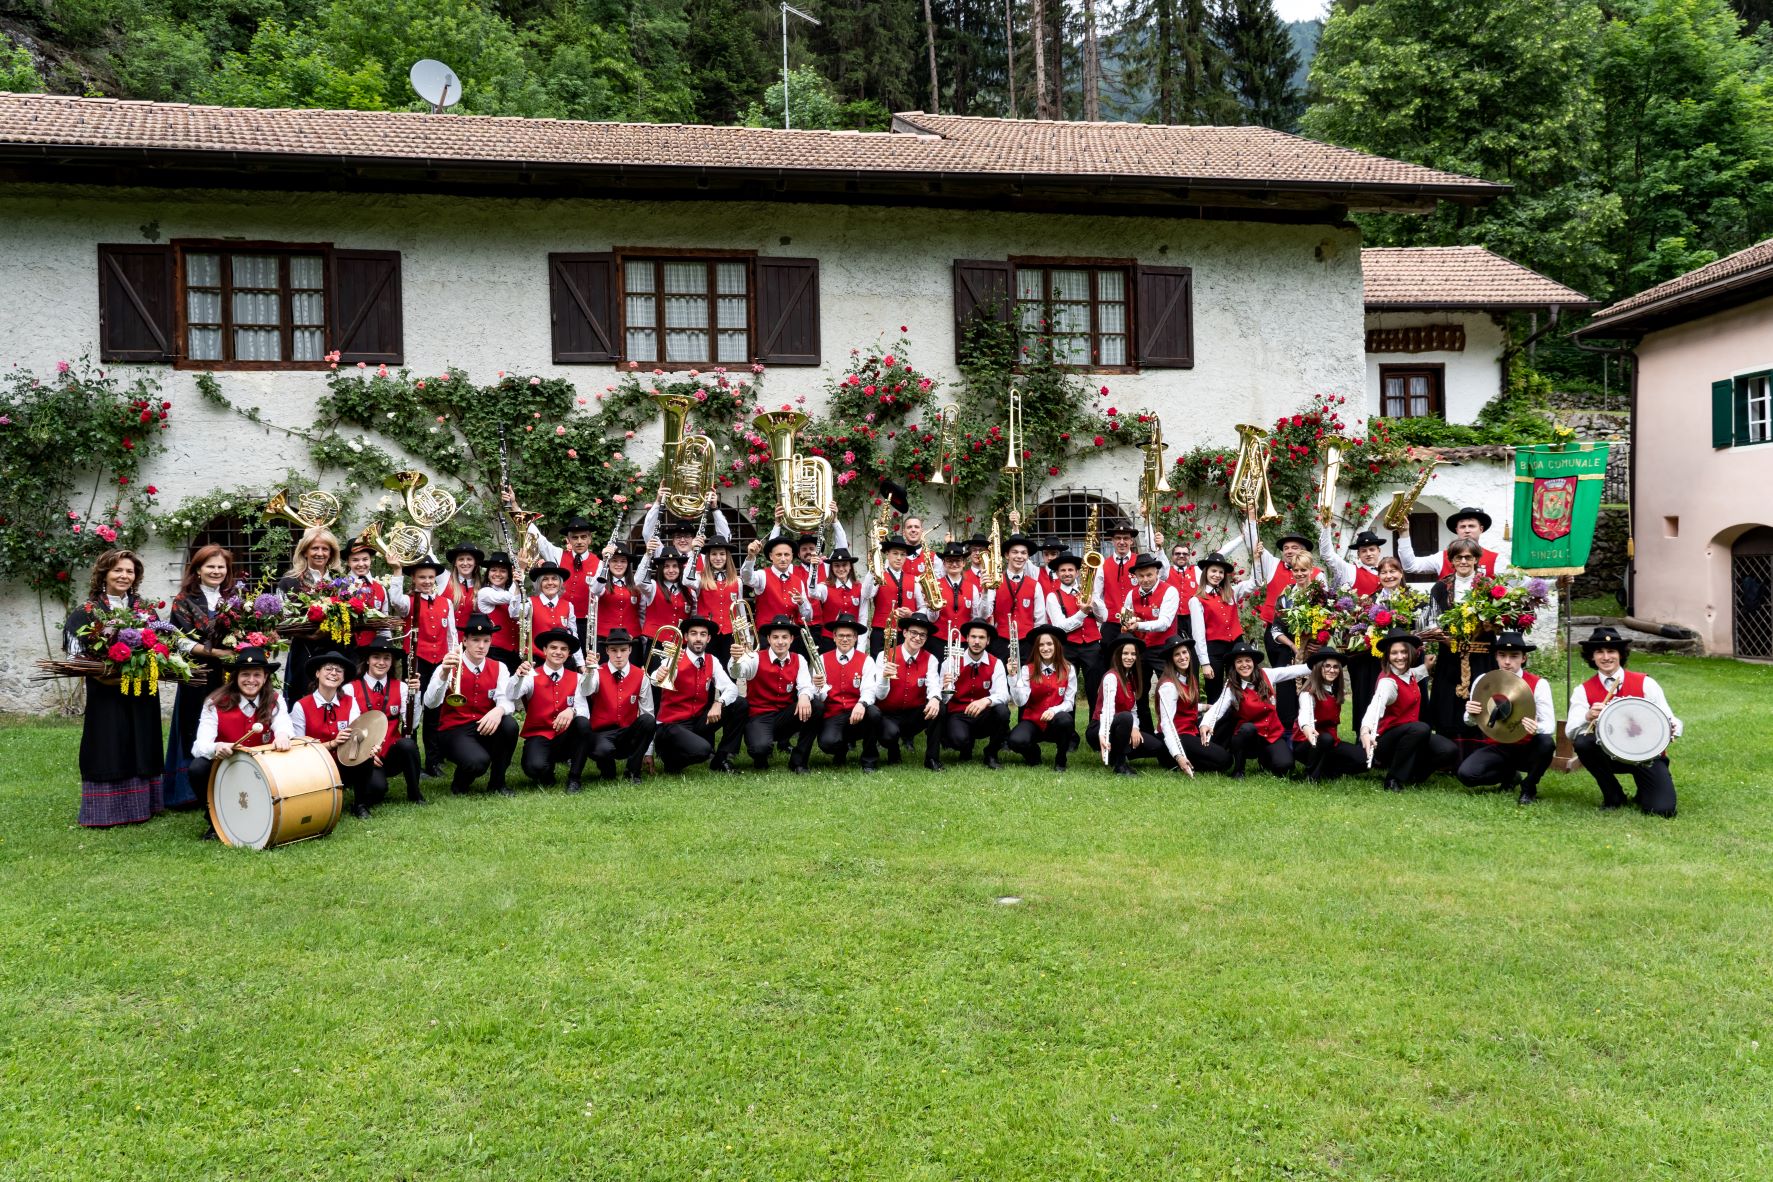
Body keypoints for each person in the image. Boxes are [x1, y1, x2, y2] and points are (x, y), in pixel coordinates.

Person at [65, 550, 168, 828]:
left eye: (129, 571)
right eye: (117, 570)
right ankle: (106, 810)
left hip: (142, 690)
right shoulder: (87, 611)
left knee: (142, 740)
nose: (124, 576)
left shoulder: (145, 611)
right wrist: (105, 675)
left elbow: (162, 644)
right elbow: (74, 656)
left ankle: (144, 805)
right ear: (104, 574)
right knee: (109, 743)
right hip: (105, 692)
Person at [1566, 625, 1681, 817]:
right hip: (1609, 755)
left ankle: (1645, 789)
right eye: (1599, 652)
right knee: (1583, 743)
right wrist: (1587, 716)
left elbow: (1669, 718)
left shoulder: (1645, 683)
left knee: (1662, 810)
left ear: (1620, 654)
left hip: (1645, 755)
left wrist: (1673, 727)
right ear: (1592, 657)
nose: (1606, 657)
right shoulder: (1582, 691)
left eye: (1611, 651)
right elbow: (1570, 731)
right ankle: (1613, 795)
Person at [188, 645, 292, 840]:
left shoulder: (275, 700)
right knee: (198, 768)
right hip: (228, 768)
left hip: (265, 769)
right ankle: (215, 819)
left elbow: (284, 725)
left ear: (265, 677)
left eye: (257, 674)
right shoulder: (214, 703)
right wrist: (216, 747)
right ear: (235, 676)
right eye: (245, 674)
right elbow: (199, 746)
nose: (251, 680)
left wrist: (283, 736)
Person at [162, 543, 234, 810]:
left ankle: (226, 783)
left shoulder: (233, 599)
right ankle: (188, 793)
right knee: (193, 724)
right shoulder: (184, 601)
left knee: (227, 721)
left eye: (220, 567)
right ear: (198, 570)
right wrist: (216, 652)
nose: (216, 571)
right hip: (197, 672)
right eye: (210, 566)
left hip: (228, 673)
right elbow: (178, 640)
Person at [1239, 526, 1323, 736]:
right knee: (1284, 678)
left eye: (1295, 547)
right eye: (1286, 548)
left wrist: (1318, 640)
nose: (1289, 551)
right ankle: (1286, 728)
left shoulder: (1319, 578)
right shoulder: (1274, 567)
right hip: (1279, 636)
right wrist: (1252, 518)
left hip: (1310, 639)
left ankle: (1311, 725)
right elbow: (1254, 541)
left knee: (1310, 681)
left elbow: (1327, 615)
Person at [421, 613, 518, 796]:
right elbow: (430, 703)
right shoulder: (447, 665)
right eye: (475, 640)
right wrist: (443, 674)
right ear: (464, 641)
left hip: (483, 725)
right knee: (478, 762)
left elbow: (507, 700)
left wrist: (499, 710)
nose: (481, 646)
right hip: (454, 729)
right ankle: (460, 783)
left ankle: (498, 783)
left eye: (486, 641)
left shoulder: (500, 667)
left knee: (509, 725)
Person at [1456, 631, 1556, 804]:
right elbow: (1470, 722)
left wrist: (1536, 727)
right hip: (1498, 746)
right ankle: (1510, 776)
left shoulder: (1539, 684)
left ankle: (1529, 786)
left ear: (1523, 658)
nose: (1507, 661)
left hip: (1527, 746)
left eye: (1514, 656)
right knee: (1467, 775)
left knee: (1547, 743)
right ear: (1496, 656)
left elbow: (1549, 725)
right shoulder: (1484, 680)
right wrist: (1471, 713)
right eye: (1502, 655)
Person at [1422, 538, 1498, 751]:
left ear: (1476, 559)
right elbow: (1432, 621)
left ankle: (1481, 747)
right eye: (1458, 557)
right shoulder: (1440, 587)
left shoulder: (1488, 586)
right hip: (1450, 655)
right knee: (1449, 699)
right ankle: (1448, 750)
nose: (1463, 561)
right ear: (1452, 560)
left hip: (1481, 654)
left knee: (1481, 694)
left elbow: (1500, 620)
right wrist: (1447, 639)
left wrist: (1490, 625)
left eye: (1468, 557)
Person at [1359, 630, 1459, 791]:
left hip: (1410, 736)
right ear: (1387, 656)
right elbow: (1374, 708)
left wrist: (1427, 665)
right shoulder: (1387, 683)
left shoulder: (1409, 673)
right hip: (1385, 742)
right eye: (1394, 653)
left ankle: (1415, 775)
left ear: (1411, 653)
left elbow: (1416, 673)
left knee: (1449, 750)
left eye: (1404, 652)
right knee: (1421, 728)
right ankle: (1393, 779)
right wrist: (1365, 731)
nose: (1400, 657)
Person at [651, 615, 749, 774]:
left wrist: (719, 703)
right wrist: (659, 675)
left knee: (739, 704)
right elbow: (656, 678)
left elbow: (731, 688)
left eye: (703, 634)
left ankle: (721, 759)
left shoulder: (712, 660)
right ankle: (671, 759)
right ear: (686, 637)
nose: (698, 638)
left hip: (696, 722)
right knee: (703, 750)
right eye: (693, 633)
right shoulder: (674, 657)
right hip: (671, 726)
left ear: (708, 638)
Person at [1199, 641, 1309, 779]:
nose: (1244, 664)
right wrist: (1205, 724)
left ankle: (1265, 760)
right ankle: (1239, 770)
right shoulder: (1231, 687)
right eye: (1239, 661)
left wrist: (1317, 664)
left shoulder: (1267, 674)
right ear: (1234, 665)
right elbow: (1217, 708)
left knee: (1285, 766)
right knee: (1247, 728)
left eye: (1247, 660)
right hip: (1250, 737)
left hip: (1272, 734)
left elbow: (1291, 671)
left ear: (1254, 662)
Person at [385, 555, 452, 777]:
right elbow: (395, 600)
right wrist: (397, 571)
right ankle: (412, 761)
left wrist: (451, 661)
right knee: (412, 708)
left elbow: (451, 635)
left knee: (434, 710)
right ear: (413, 579)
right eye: (422, 577)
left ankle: (433, 761)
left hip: (439, 662)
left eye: (431, 577)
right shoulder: (408, 601)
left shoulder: (446, 603)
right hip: (416, 660)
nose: (427, 581)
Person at [507, 626, 593, 791]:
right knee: (534, 768)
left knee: (582, 723)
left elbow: (584, 712)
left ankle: (574, 778)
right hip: (539, 735)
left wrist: (572, 710)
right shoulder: (531, 676)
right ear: (545, 650)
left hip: (565, 737)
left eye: (563, 649)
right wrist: (518, 676)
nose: (558, 652)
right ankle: (547, 771)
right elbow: (512, 694)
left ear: (568, 653)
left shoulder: (577, 678)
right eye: (553, 647)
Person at [730, 616, 817, 772]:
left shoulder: (799, 659)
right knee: (759, 749)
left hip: (784, 717)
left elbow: (805, 685)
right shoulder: (755, 657)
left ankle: (799, 761)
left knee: (816, 705)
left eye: (784, 637)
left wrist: (804, 696)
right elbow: (737, 673)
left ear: (791, 639)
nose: (780, 642)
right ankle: (760, 754)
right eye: (775, 637)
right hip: (759, 716)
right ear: (769, 639)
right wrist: (736, 660)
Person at [291, 649, 372, 816]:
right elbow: (299, 748)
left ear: (343, 678)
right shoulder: (301, 706)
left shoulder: (350, 701)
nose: (333, 673)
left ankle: (360, 805)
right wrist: (332, 744)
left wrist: (370, 744)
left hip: (344, 763)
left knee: (368, 764)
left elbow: (356, 734)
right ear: (317, 673)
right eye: (328, 668)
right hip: (315, 767)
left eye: (339, 670)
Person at [863, 612, 943, 769]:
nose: (917, 638)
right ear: (905, 633)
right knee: (889, 735)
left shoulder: (931, 659)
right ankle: (893, 749)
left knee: (939, 708)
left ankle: (932, 759)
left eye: (922, 635)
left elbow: (933, 684)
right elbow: (879, 695)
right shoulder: (884, 655)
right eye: (913, 632)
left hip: (914, 714)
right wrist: (885, 677)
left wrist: (935, 698)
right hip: (889, 714)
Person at [349, 639, 424, 807]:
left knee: (408, 745)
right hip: (366, 755)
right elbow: (352, 730)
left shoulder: (402, 687)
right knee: (377, 790)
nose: (381, 662)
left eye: (387, 658)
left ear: (392, 662)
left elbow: (412, 725)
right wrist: (367, 753)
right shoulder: (351, 688)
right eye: (376, 657)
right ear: (367, 660)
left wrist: (415, 694)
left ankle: (415, 793)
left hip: (391, 753)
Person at [577, 628, 656, 785]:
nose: (619, 655)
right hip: (602, 734)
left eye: (623, 650)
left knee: (648, 720)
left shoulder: (641, 676)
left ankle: (633, 771)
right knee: (604, 755)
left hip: (627, 734)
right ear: (607, 651)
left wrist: (648, 752)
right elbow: (585, 690)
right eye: (614, 650)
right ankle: (607, 769)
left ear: (630, 650)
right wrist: (589, 671)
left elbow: (648, 711)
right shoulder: (597, 672)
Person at [514, 508, 603, 648]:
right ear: (568, 540)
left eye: (583, 537)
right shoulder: (558, 554)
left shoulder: (599, 564)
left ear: (589, 539)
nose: (579, 541)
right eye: (575, 537)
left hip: (586, 624)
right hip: (559, 618)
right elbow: (540, 540)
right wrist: (515, 507)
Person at [276, 525, 343, 706]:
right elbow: (282, 622)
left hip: (335, 650)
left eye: (325, 549)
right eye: (315, 548)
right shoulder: (289, 581)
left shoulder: (340, 581)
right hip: (303, 650)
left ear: (331, 553)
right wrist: (310, 634)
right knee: (302, 701)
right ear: (305, 551)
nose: (320, 553)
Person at [1153, 638, 1233, 776]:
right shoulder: (1168, 686)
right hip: (1177, 735)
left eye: (1184, 652)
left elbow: (1184, 704)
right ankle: (1173, 760)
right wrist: (1178, 755)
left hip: (1190, 729)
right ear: (1171, 659)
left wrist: (1206, 707)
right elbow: (1167, 724)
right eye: (1177, 654)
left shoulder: (1188, 677)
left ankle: (1205, 751)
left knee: (1226, 713)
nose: (1182, 657)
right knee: (1226, 761)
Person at [938, 619, 1011, 768]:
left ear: (988, 641)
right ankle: (965, 746)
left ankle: (991, 753)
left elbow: (1004, 694)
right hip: (959, 714)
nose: (977, 641)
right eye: (973, 637)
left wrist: (986, 701)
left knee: (1002, 711)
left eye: (982, 637)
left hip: (984, 714)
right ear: (967, 638)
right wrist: (945, 688)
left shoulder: (996, 663)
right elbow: (942, 700)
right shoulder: (950, 662)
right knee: (958, 740)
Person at [1006, 624, 1078, 770]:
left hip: (1055, 722)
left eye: (1049, 644)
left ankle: (1061, 759)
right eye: (1041, 645)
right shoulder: (1027, 669)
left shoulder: (1069, 669)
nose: (1045, 648)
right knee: (1015, 741)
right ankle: (1034, 755)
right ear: (1036, 648)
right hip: (1033, 721)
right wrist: (1013, 677)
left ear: (1056, 646)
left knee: (1065, 720)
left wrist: (1054, 710)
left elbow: (1069, 703)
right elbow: (1020, 701)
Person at [814, 615, 880, 770]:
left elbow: (870, 689)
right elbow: (819, 696)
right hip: (834, 714)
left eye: (849, 636)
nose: (845, 639)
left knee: (874, 713)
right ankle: (840, 749)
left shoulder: (867, 660)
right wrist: (819, 687)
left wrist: (862, 704)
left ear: (856, 638)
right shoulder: (821, 659)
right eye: (841, 635)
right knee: (827, 743)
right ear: (834, 637)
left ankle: (869, 760)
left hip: (857, 712)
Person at [1090, 635, 1163, 775]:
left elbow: (1133, 710)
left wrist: (1134, 728)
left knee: (1156, 746)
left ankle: (1116, 752)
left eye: (1133, 654)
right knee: (1125, 717)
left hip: (1124, 725)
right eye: (1125, 653)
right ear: (1118, 655)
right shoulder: (1111, 677)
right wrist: (1104, 735)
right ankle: (1120, 764)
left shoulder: (1131, 678)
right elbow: (1107, 711)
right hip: (1100, 726)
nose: (1130, 657)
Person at [1045, 551, 1105, 714]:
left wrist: (1094, 600)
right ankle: (1067, 726)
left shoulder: (1087, 591)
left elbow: (1103, 617)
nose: (1067, 573)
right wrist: (1083, 613)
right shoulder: (1053, 597)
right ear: (1057, 574)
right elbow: (1060, 627)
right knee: (1066, 690)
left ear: (1077, 572)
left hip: (1092, 646)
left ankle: (1096, 726)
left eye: (1070, 570)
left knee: (1095, 689)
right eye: (1063, 570)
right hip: (1067, 647)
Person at [1294, 648, 1366, 783]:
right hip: (1307, 743)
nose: (1332, 670)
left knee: (1364, 759)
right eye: (1327, 666)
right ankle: (1311, 776)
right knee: (1325, 739)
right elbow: (1305, 714)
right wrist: (1306, 727)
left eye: (1335, 667)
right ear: (1318, 668)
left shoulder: (1335, 691)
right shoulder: (1308, 693)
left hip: (1331, 742)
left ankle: (1328, 769)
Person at [1187, 552, 1244, 704]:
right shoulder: (1196, 600)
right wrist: (1205, 663)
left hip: (1235, 646)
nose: (1217, 575)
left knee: (1240, 688)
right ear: (1206, 572)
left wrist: (1257, 559)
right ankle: (1215, 719)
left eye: (1221, 572)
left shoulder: (1231, 593)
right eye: (1214, 571)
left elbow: (1256, 582)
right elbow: (1198, 634)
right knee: (1214, 691)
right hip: (1214, 649)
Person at [984, 533, 1047, 665]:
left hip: (1027, 643)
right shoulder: (995, 582)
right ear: (1007, 555)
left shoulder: (1035, 585)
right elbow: (985, 613)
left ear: (1027, 557)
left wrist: (1035, 643)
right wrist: (985, 591)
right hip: (1000, 641)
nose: (1019, 556)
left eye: (1023, 553)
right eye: (1015, 552)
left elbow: (1040, 620)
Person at [1118, 553, 1180, 675]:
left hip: (1164, 648)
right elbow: (1125, 620)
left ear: (1157, 573)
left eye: (1149, 575)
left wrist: (1138, 625)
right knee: (1139, 684)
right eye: (1141, 576)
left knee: (1168, 683)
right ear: (1135, 576)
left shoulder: (1170, 591)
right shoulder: (1131, 594)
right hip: (1140, 648)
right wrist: (1126, 624)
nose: (1145, 580)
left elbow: (1164, 623)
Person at [1398, 506, 1501, 578]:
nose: (1467, 530)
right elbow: (1410, 566)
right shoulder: (1442, 557)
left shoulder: (1496, 559)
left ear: (1481, 529)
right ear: (1457, 530)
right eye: (1462, 527)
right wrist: (1404, 533)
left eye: (1471, 526)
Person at [926, 540, 985, 664]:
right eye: (949, 561)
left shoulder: (972, 588)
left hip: (963, 642)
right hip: (938, 641)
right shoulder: (936, 585)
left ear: (963, 563)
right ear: (944, 563)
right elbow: (932, 619)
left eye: (958, 560)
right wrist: (932, 606)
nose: (954, 564)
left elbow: (975, 617)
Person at [637, 544, 694, 667]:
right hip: (657, 644)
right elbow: (638, 581)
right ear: (660, 569)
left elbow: (693, 617)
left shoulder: (689, 591)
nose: (671, 570)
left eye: (675, 566)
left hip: (680, 645)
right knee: (655, 678)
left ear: (680, 568)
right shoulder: (652, 587)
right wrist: (647, 555)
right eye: (666, 566)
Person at [340, 534, 393, 662]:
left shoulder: (380, 589)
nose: (361, 564)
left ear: (371, 560)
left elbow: (384, 626)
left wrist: (387, 647)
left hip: (372, 650)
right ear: (348, 561)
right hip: (344, 649)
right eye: (355, 560)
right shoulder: (340, 586)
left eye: (365, 559)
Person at [863, 534, 919, 653]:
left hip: (905, 634)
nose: (899, 558)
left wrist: (912, 614)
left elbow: (923, 607)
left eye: (902, 554)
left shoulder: (914, 580)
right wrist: (873, 570)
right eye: (895, 553)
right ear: (887, 554)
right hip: (881, 632)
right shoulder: (879, 575)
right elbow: (866, 595)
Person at [696, 539, 745, 664]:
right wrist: (693, 552)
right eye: (714, 554)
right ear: (708, 557)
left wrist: (745, 636)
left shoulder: (737, 581)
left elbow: (741, 610)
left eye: (722, 554)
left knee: (730, 669)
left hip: (730, 634)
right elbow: (686, 581)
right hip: (707, 634)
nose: (718, 558)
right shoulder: (699, 578)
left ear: (727, 557)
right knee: (707, 668)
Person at [811, 548, 867, 654]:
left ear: (850, 566)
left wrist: (861, 648)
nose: (841, 569)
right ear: (831, 568)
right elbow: (812, 592)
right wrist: (813, 568)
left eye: (844, 565)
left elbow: (863, 617)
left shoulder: (860, 588)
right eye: (836, 565)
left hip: (851, 639)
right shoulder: (825, 587)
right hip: (829, 640)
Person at [475, 551, 520, 670]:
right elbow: (509, 597)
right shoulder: (485, 592)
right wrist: (520, 575)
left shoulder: (514, 591)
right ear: (488, 573)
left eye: (503, 571)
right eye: (494, 570)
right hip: (494, 652)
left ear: (509, 575)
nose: (498, 574)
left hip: (515, 653)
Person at [1099, 521, 1141, 646]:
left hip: (1136, 621)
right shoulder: (1103, 565)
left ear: (1131, 541)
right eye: (1118, 538)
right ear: (1112, 541)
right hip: (1111, 622)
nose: (1122, 542)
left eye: (1126, 538)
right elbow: (1097, 594)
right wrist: (1104, 615)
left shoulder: (1140, 561)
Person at [1322, 527, 1386, 597]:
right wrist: (1326, 527)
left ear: (1379, 551)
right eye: (1364, 551)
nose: (1368, 554)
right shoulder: (1350, 570)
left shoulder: (1388, 572)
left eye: (1372, 549)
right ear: (1358, 554)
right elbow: (1328, 554)